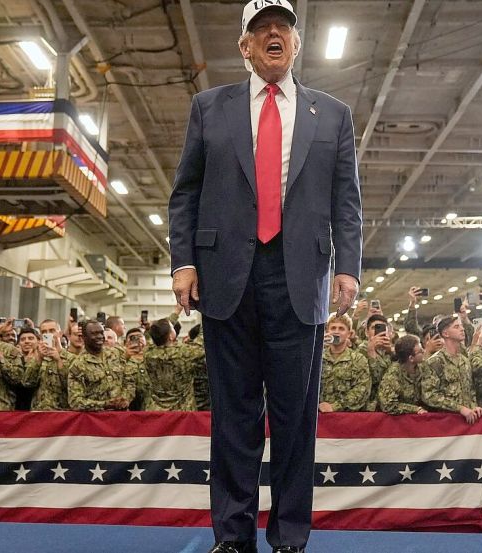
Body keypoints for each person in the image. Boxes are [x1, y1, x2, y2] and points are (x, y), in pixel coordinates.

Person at [167, 1, 361, 550]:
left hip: (301, 278)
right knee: (233, 413)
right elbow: (186, 192)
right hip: (225, 276)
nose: (273, 34)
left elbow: (346, 200)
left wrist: (347, 267)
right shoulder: (209, 107)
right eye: (260, 29)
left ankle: (290, 537)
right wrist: (183, 262)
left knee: (296, 417)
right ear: (244, 46)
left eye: (283, 28)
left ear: (297, 45)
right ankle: (232, 536)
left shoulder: (335, 114)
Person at [420, 316, 482, 424]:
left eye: (461, 326)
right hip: (446, 422)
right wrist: (460, 408)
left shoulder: (464, 360)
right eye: (456, 327)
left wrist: (474, 407)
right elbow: (429, 395)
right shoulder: (435, 362)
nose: (462, 329)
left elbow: (470, 389)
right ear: (445, 334)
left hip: (468, 419)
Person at [67, 320, 134, 411]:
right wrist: (106, 404)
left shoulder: (118, 354)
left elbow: (129, 380)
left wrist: (125, 399)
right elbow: (75, 401)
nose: (99, 336)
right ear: (84, 337)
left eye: (101, 333)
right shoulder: (78, 365)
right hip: (96, 419)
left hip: (121, 415)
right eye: (94, 334)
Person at [318, 315, 371, 413]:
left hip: (346, 417)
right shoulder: (317, 357)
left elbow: (361, 389)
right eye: (333, 328)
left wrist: (335, 406)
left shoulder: (358, 359)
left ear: (349, 334)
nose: (336, 331)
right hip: (319, 415)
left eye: (341, 328)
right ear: (327, 331)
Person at [377, 335, 427, 415]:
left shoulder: (423, 368)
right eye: (420, 351)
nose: (424, 351)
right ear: (411, 358)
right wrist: (414, 409)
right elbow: (388, 405)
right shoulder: (393, 375)